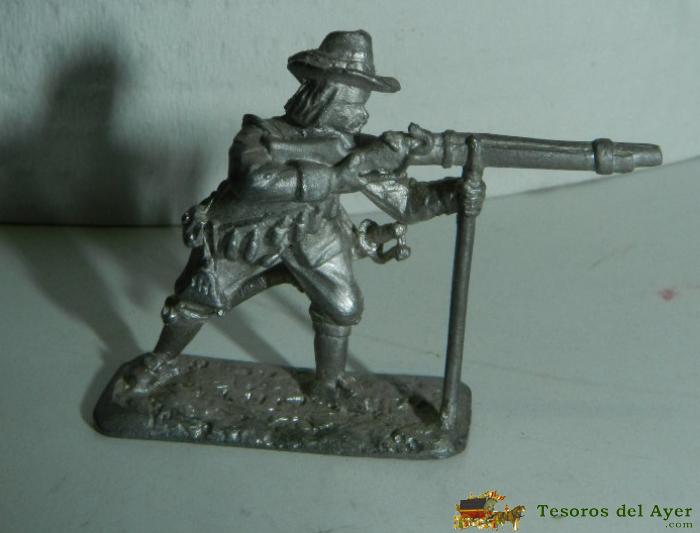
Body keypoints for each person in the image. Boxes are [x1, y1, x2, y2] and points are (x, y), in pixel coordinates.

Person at [121, 30, 462, 402]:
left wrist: (452, 195)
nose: (361, 114)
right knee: (196, 299)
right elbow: (252, 180)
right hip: (248, 232)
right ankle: (160, 362)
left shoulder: (356, 150)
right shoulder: (260, 134)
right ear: (323, 96)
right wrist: (334, 178)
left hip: (314, 232)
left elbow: (406, 202)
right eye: (351, 103)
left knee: (342, 306)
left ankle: (329, 382)